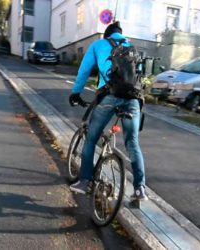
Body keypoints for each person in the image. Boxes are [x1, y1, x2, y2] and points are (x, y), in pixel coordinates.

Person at [68, 21, 148, 201]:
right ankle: (140, 189)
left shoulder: (98, 45)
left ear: (107, 35)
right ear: (121, 35)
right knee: (133, 143)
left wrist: (76, 93)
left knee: (92, 138)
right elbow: (139, 76)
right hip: (134, 98)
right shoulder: (132, 48)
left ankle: (85, 180)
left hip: (109, 96)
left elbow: (84, 71)